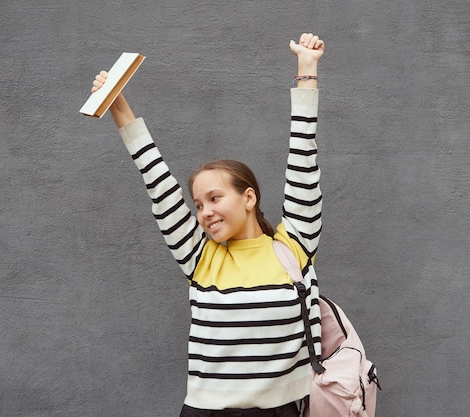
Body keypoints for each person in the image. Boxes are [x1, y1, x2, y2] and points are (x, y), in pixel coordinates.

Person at [90, 33, 325, 417]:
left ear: (248, 198)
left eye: (215, 198)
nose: (204, 212)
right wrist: (118, 106)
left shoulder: (293, 245)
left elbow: (303, 157)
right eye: (198, 204)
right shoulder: (200, 257)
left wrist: (307, 69)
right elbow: (158, 182)